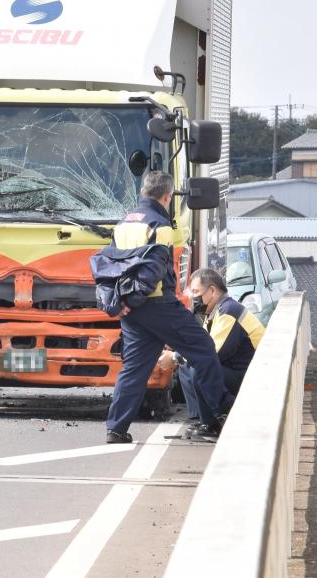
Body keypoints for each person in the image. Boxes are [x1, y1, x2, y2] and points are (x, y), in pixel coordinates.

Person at [101, 171, 228, 444]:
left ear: (143, 192)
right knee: (203, 349)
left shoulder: (123, 224)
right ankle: (218, 416)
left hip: (132, 311)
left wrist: (122, 304)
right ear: (167, 196)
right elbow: (155, 271)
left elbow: (112, 267)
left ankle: (116, 429)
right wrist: (134, 301)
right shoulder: (160, 226)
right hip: (158, 305)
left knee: (134, 369)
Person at [178, 268, 266, 424]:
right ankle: (202, 419)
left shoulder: (228, 312)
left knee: (200, 370)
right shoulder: (215, 312)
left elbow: (213, 353)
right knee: (186, 367)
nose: (193, 297)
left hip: (252, 376)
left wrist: (174, 357)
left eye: (196, 291)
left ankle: (218, 419)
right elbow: (200, 346)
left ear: (212, 290)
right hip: (238, 370)